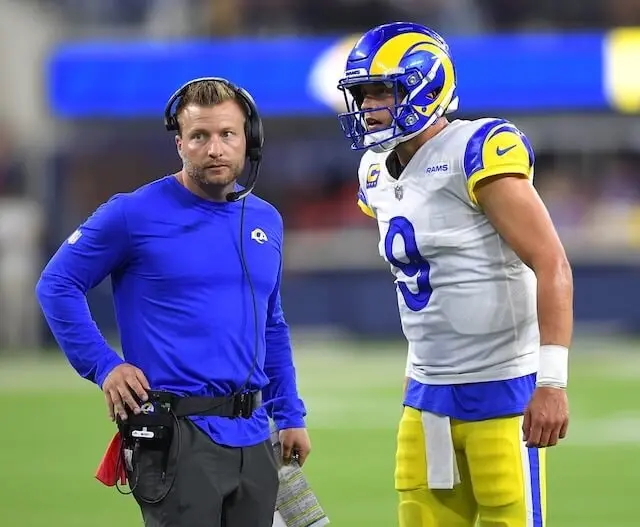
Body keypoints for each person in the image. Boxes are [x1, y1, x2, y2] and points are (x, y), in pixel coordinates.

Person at [36, 77, 311, 527]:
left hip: (255, 437)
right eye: (199, 136)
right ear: (180, 144)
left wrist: (289, 413)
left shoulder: (265, 219)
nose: (215, 148)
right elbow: (56, 284)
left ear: (249, 140)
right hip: (177, 439)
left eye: (227, 134)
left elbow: (272, 325)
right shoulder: (132, 213)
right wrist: (104, 366)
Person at [336, 22, 572, 526]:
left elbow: (551, 262)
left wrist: (552, 381)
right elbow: (425, 283)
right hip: (427, 398)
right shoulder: (374, 172)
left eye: (381, 92)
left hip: (502, 388)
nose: (368, 107)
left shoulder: (476, 149)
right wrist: (416, 372)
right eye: (363, 95)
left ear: (425, 87)